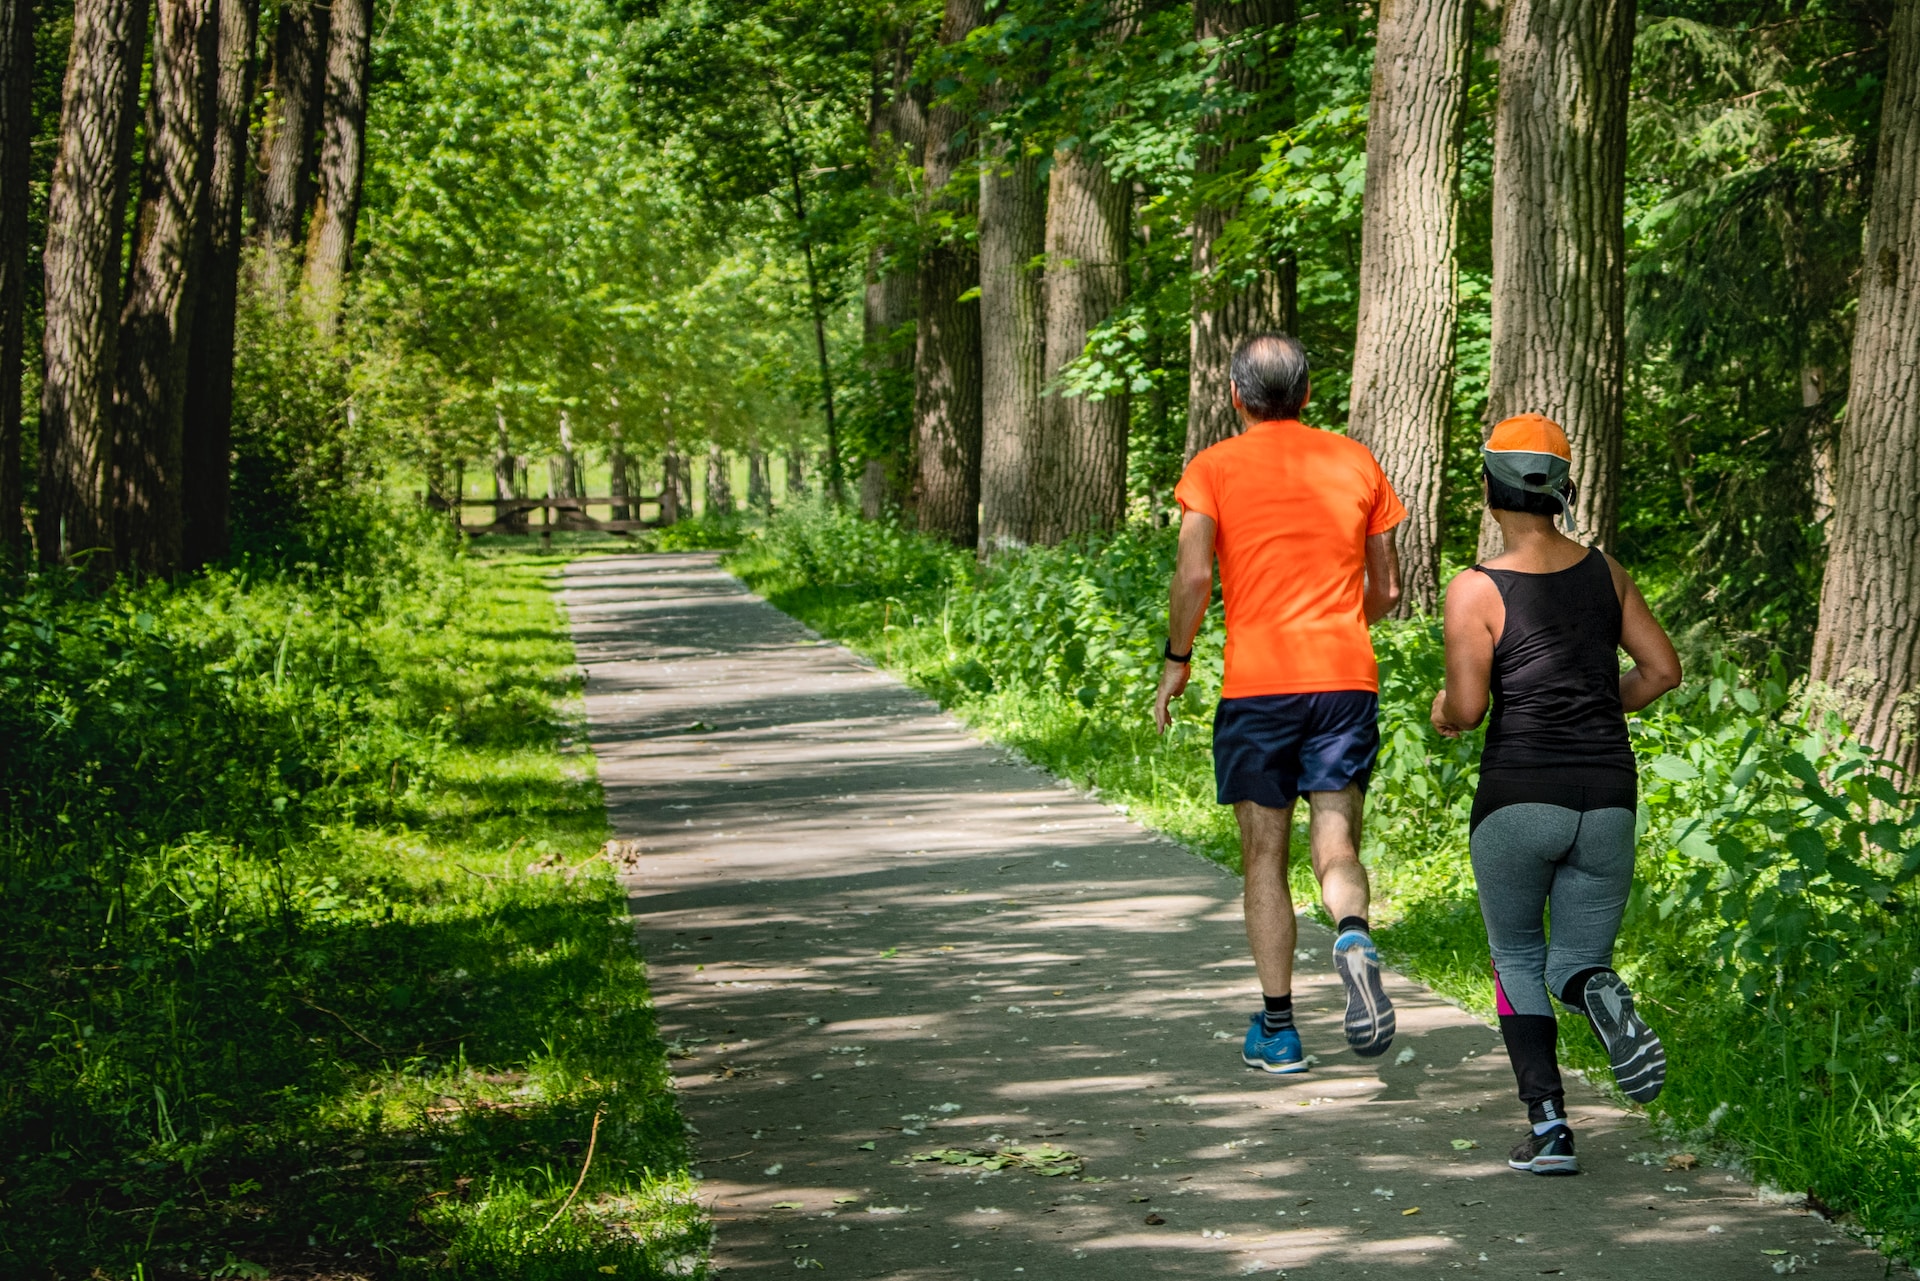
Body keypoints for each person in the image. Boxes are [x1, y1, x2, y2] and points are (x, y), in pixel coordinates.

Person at [1430, 413, 1682, 1176]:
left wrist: (1441, 711)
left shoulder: (1475, 588)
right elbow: (1662, 670)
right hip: (1607, 795)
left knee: (1515, 957)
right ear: (1562, 488)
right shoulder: (1606, 572)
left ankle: (1549, 1130)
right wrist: (1598, 702)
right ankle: (1596, 987)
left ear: (1489, 489)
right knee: (1573, 960)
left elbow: (1468, 709)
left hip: (1519, 795)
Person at [1154, 333, 1406, 1074]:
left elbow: (1195, 577)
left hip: (1259, 686)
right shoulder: (1355, 460)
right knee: (1337, 840)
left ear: (1236, 395)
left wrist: (1178, 658)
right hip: (1343, 680)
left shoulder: (1212, 468)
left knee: (1265, 855)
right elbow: (1385, 591)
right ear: (1305, 394)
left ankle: (1280, 1028)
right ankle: (1353, 931)